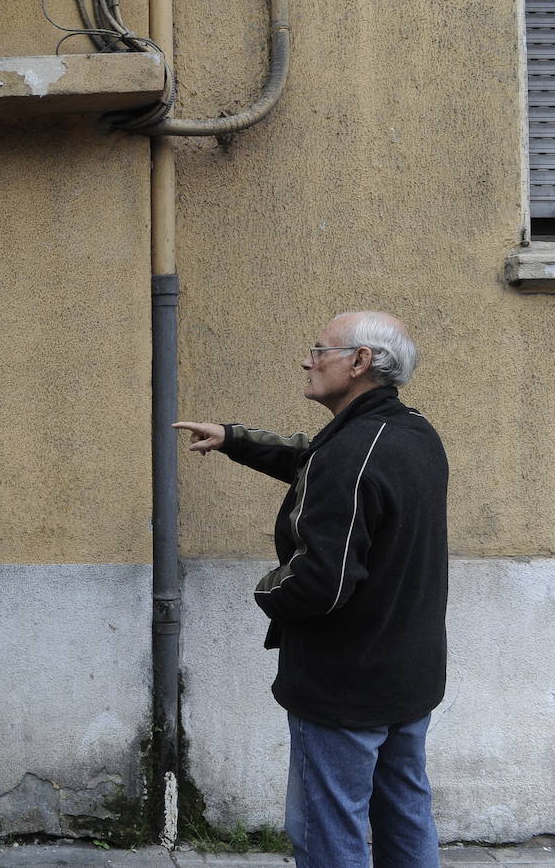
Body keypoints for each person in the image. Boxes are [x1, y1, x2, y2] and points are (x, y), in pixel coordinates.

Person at [173, 311, 448, 868]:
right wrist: (234, 440)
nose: (308, 359)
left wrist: (266, 593)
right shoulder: (410, 432)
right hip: (407, 673)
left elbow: (320, 583)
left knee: (327, 827)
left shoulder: (352, 453)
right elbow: (315, 460)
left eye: (319, 350)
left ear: (360, 361)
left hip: (347, 681)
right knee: (405, 812)